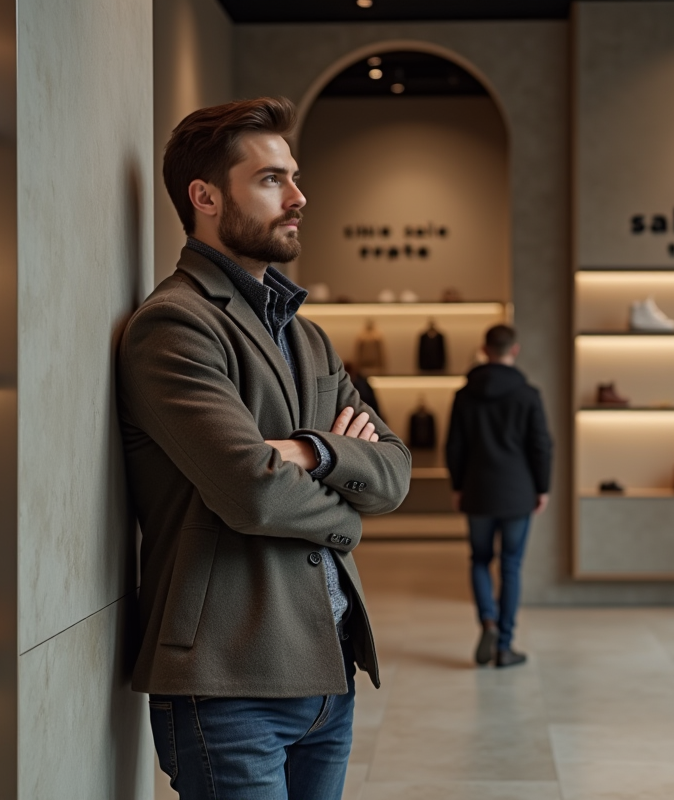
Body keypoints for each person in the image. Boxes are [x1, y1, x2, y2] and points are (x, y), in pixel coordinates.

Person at [117, 97, 411, 800]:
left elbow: (395, 469)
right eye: (272, 179)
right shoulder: (175, 326)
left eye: (294, 177)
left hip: (328, 671)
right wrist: (348, 510)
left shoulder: (307, 337)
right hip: (230, 683)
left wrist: (312, 452)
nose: (298, 197)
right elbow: (251, 490)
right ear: (206, 197)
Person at [446, 325, 553, 668]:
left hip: (477, 490)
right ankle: (505, 646)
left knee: (480, 559)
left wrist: (458, 486)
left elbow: (454, 446)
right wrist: (542, 487)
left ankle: (488, 622)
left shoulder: (464, 395)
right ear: (514, 350)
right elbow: (541, 446)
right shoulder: (528, 394)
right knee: (511, 565)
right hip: (518, 492)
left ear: (484, 349)